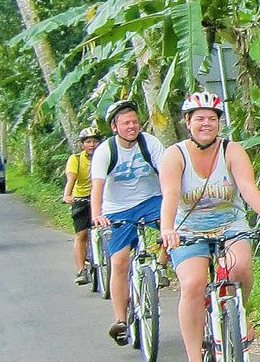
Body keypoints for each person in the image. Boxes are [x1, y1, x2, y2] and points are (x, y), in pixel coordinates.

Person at [160, 91, 260, 360]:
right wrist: (167, 229)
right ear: (188, 122)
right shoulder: (175, 155)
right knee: (193, 284)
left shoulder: (231, 150)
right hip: (189, 230)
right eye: (199, 118)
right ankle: (194, 355)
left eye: (212, 119)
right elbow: (169, 194)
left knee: (240, 268)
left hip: (230, 224)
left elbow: (248, 188)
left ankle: (238, 313)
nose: (206, 124)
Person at [89, 100, 165, 346]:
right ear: (114, 127)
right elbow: (97, 187)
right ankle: (121, 320)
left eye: (134, 122)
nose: (131, 127)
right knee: (119, 262)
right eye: (125, 123)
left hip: (151, 200)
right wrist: (97, 214)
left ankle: (162, 266)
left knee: (173, 227)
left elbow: (166, 176)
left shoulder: (150, 143)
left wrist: (173, 206)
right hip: (117, 208)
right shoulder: (105, 151)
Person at [63, 128, 104, 285]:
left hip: (101, 198)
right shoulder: (76, 159)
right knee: (81, 235)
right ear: (82, 145)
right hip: (82, 199)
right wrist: (67, 196)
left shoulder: (105, 156)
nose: (92, 145)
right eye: (88, 141)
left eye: (95, 141)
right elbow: (71, 179)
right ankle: (81, 270)